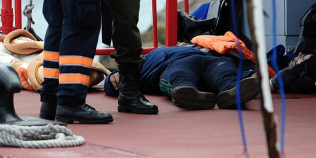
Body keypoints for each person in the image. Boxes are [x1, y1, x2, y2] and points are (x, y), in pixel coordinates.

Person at [104, 46, 260, 110]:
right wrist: (113, 76)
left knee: (225, 73)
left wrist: (253, 78)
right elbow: (112, 84)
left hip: (210, 60)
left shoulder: (192, 47)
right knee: (179, 76)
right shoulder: (138, 64)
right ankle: (189, 94)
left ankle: (232, 92)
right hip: (174, 65)